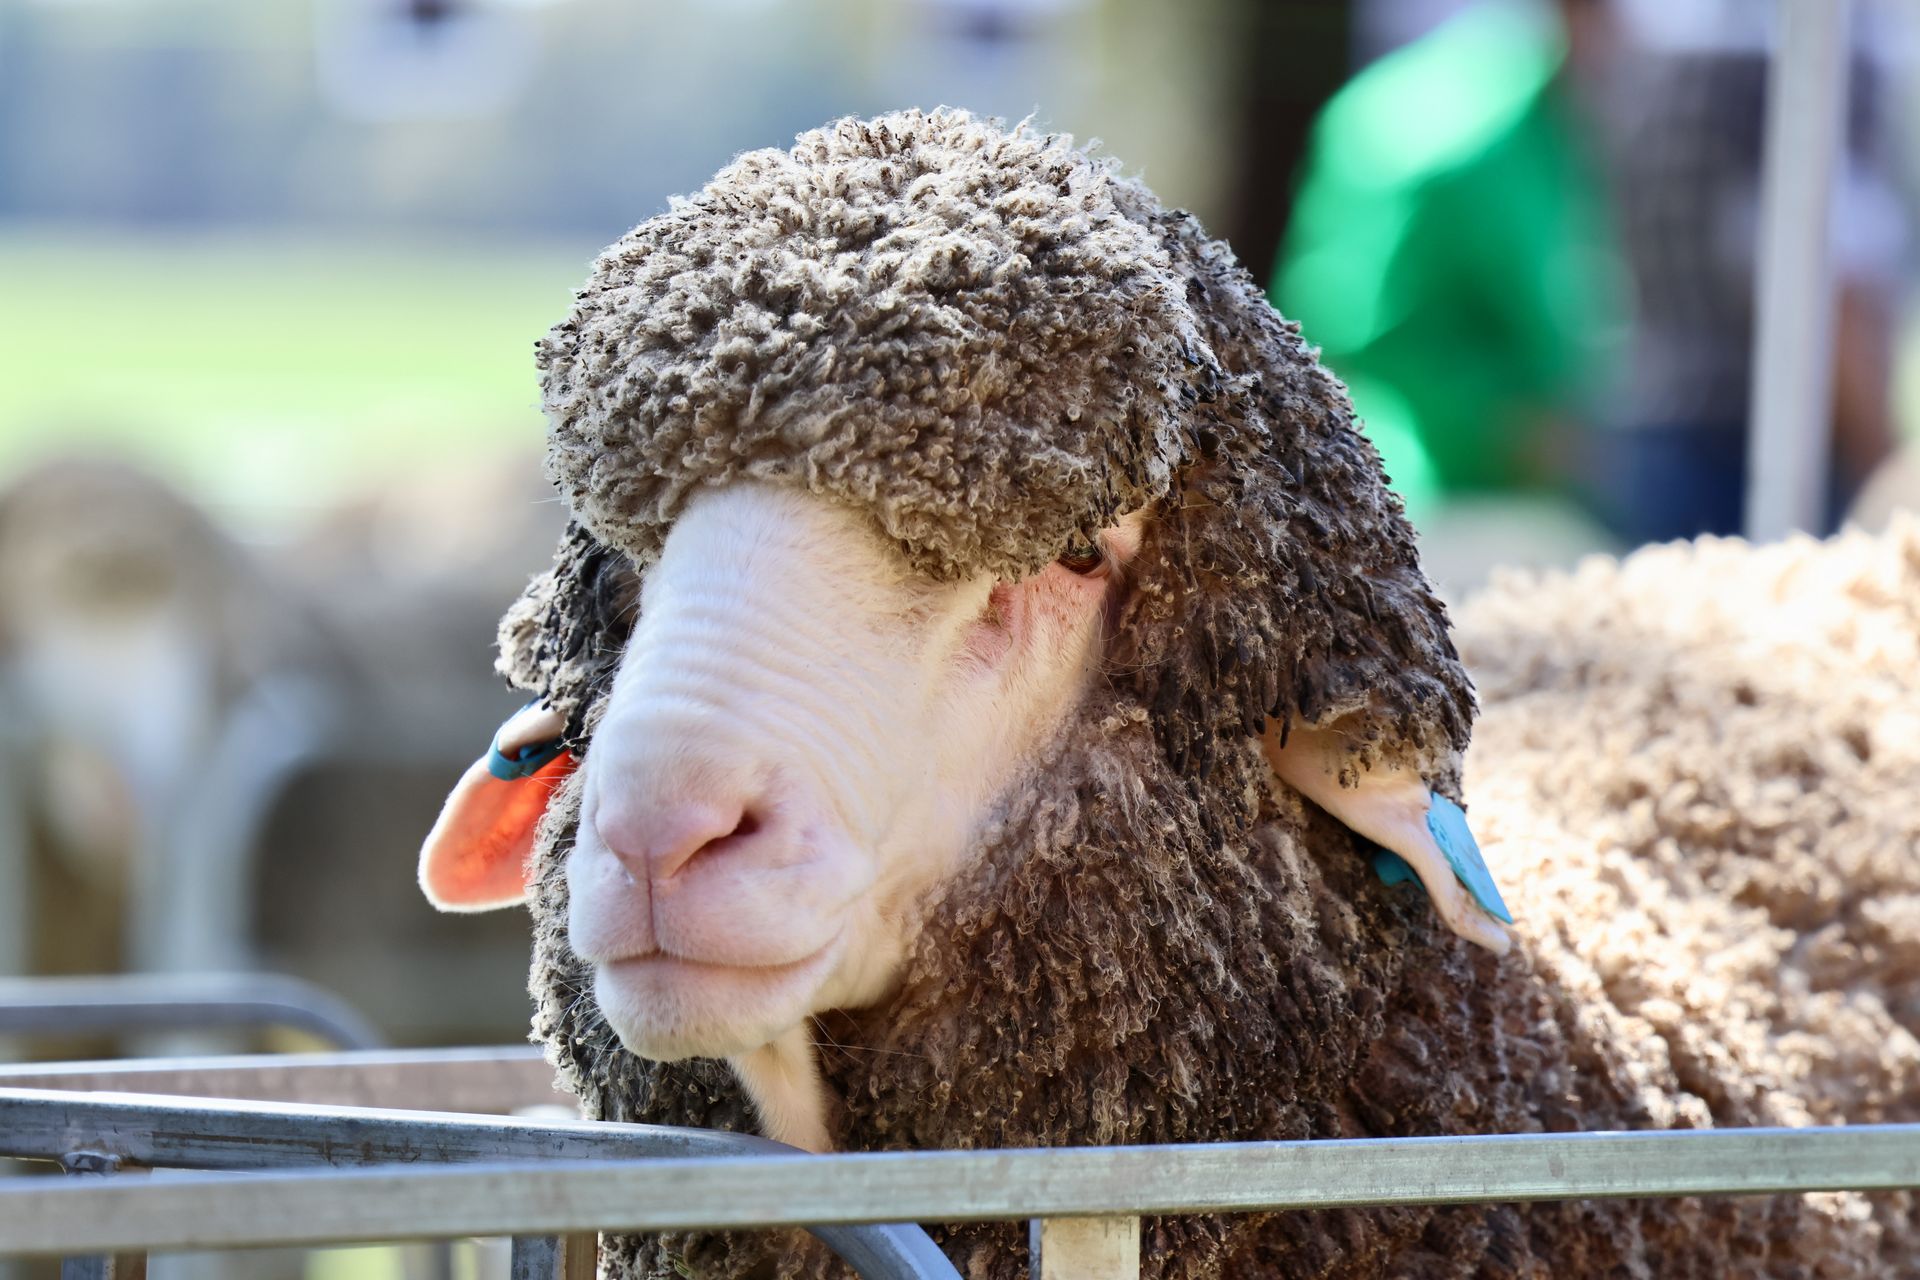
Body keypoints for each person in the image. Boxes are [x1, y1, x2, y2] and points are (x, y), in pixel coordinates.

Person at [1273, 0, 1626, 526]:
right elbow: (1348, 331)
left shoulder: (1540, 116)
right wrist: (1501, 426)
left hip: (1513, 488)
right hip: (1417, 486)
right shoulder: (1457, 134)